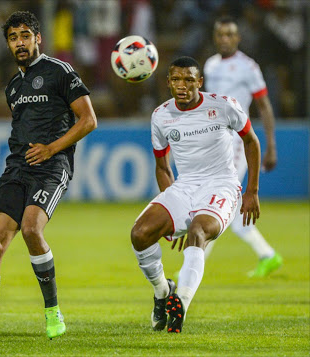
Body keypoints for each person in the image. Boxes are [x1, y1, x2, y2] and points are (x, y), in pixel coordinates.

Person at [0, 11, 97, 341]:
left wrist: (51, 148)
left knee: (31, 227)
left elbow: (88, 120)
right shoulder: (13, 87)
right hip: (16, 168)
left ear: (37, 38)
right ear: (8, 44)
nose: (20, 42)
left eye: (25, 36)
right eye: (13, 38)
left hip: (51, 167)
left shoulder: (60, 71)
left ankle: (52, 311)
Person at [130, 56, 261, 333]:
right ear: (168, 83)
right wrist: (174, 213)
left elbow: (251, 140)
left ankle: (182, 303)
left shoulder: (223, 105)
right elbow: (163, 167)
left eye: (189, 80)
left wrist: (251, 190)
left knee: (199, 231)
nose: (182, 85)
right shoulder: (161, 116)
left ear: (199, 82)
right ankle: (163, 291)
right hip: (185, 186)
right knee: (140, 234)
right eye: (176, 79)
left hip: (222, 185)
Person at [203, 16, 282, 277]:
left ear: (237, 38)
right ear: (215, 37)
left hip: (238, 141)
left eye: (230, 34)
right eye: (220, 34)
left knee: (215, 199)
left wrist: (271, 145)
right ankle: (268, 255)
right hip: (215, 141)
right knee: (235, 214)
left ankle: (193, 265)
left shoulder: (248, 67)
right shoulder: (210, 65)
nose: (224, 39)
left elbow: (264, 106)